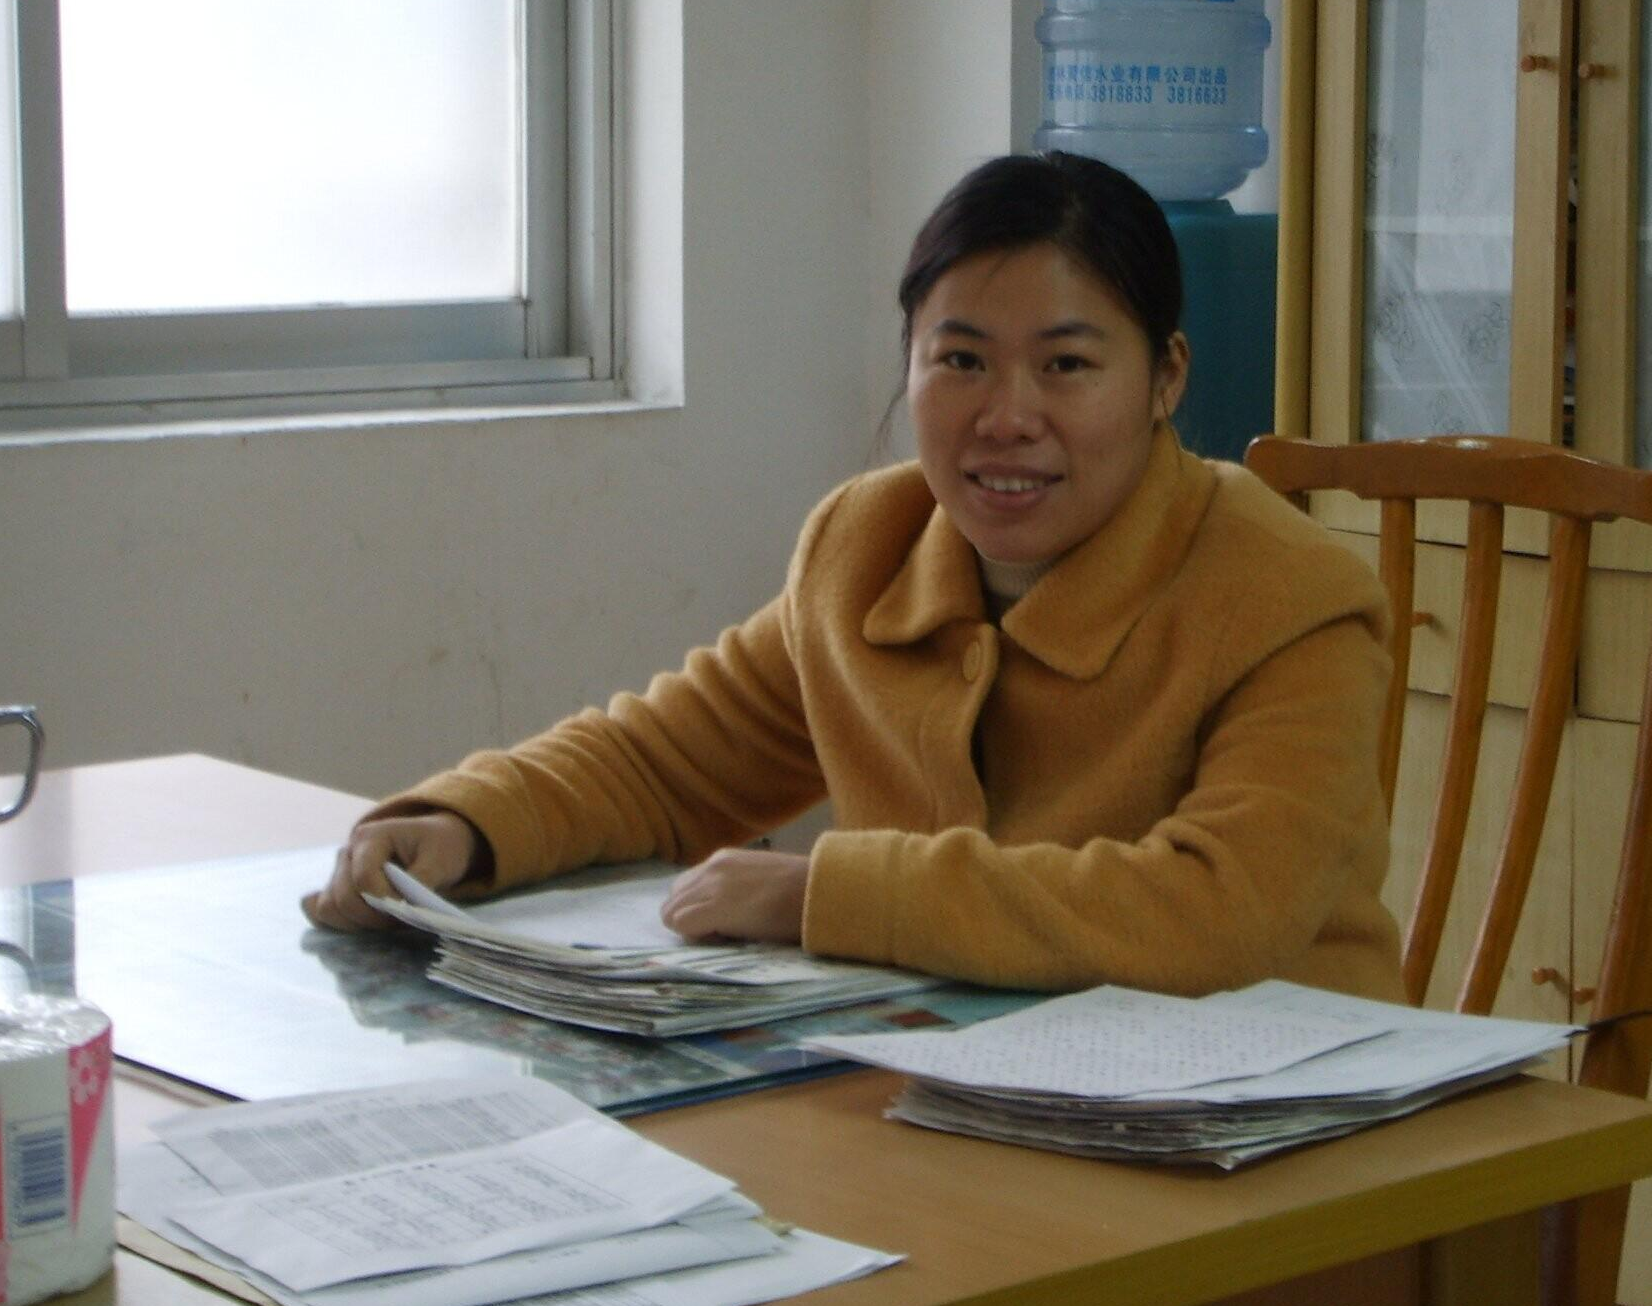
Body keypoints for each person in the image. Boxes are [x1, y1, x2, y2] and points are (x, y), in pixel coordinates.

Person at [304, 152, 1405, 1001]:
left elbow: (1215, 912)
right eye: (960, 360)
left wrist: (830, 894)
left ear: (1164, 378)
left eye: (1067, 365)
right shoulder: (869, 547)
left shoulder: (1287, 595)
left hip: (1270, 1144)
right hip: (968, 1096)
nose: (1006, 418)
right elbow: (667, 764)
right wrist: (466, 825)